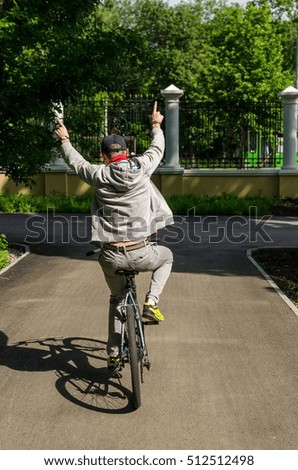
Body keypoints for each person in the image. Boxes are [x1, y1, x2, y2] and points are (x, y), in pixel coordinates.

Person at [55, 101, 173, 370]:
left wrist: (64, 138)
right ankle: (151, 303)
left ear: (104, 156)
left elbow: (75, 161)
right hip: (142, 251)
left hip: (111, 256)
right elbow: (158, 148)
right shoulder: (142, 167)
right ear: (128, 152)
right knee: (167, 257)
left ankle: (112, 352)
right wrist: (156, 124)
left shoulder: (97, 174)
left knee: (116, 299)